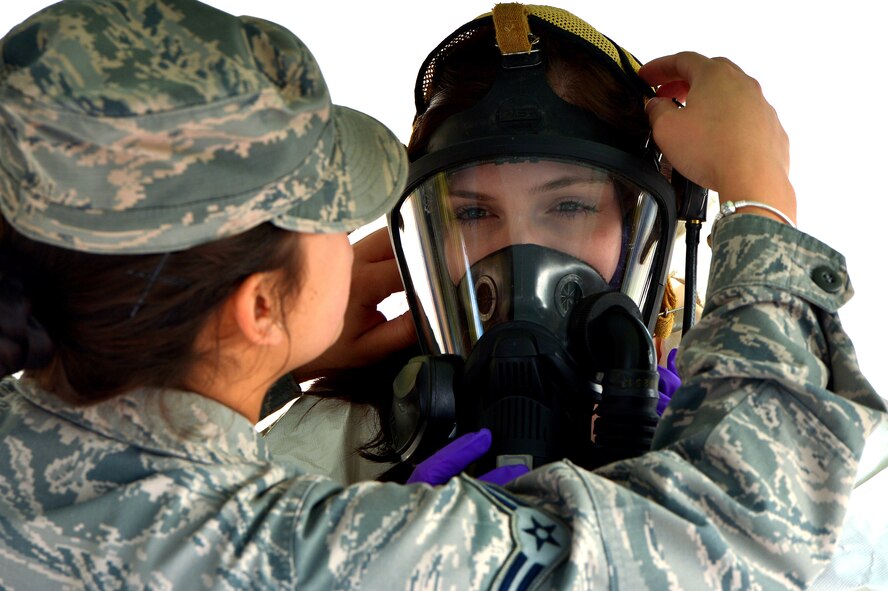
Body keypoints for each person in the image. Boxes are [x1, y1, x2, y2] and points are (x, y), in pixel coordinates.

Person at [1, 3, 883, 590]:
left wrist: (257, 368)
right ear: (257, 306)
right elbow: (739, 539)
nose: (513, 255)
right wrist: (763, 200)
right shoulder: (314, 509)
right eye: (469, 213)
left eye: (571, 205)